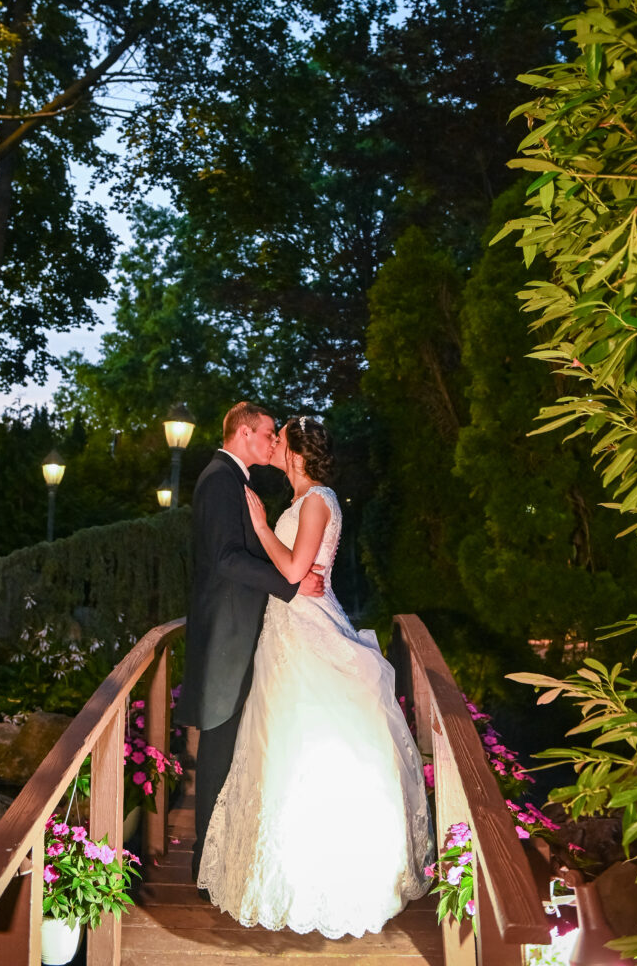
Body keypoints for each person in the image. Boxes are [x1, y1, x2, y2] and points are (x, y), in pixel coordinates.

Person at [197, 415, 433, 939]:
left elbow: (293, 571)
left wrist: (259, 529)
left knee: (312, 738)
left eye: (279, 441)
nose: (273, 446)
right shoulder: (298, 500)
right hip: (285, 630)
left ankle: (334, 876)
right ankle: (284, 868)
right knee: (280, 743)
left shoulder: (318, 499)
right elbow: (291, 572)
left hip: (307, 631)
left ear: (297, 452)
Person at [175, 402, 325, 885]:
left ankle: (225, 857)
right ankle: (206, 866)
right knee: (219, 746)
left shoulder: (236, 479)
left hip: (245, 633)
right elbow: (224, 560)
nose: (272, 443)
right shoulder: (220, 480)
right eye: (266, 434)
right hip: (227, 636)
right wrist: (293, 585)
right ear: (244, 432)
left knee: (236, 747)